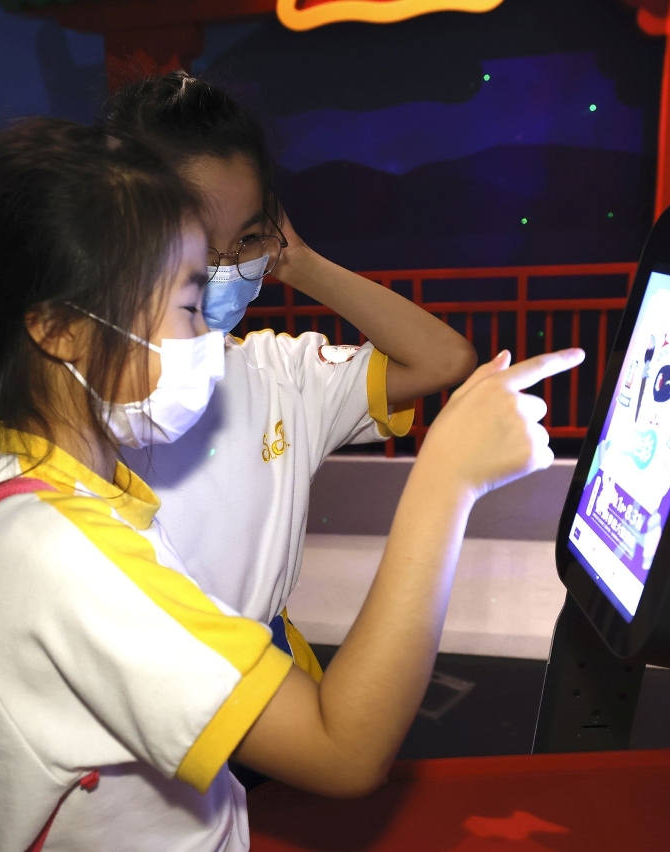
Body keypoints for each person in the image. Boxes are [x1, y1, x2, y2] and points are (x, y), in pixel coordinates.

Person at [0, 115, 584, 849]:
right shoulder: (57, 553)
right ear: (60, 330)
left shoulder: (30, 489)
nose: (207, 340)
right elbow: (342, 750)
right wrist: (445, 481)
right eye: (188, 305)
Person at [104, 72, 479, 679]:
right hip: (140, 689)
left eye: (247, 239)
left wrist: (296, 260)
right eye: (198, 243)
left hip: (270, 677)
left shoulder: (283, 372)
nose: (226, 268)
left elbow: (442, 359)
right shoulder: (72, 394)